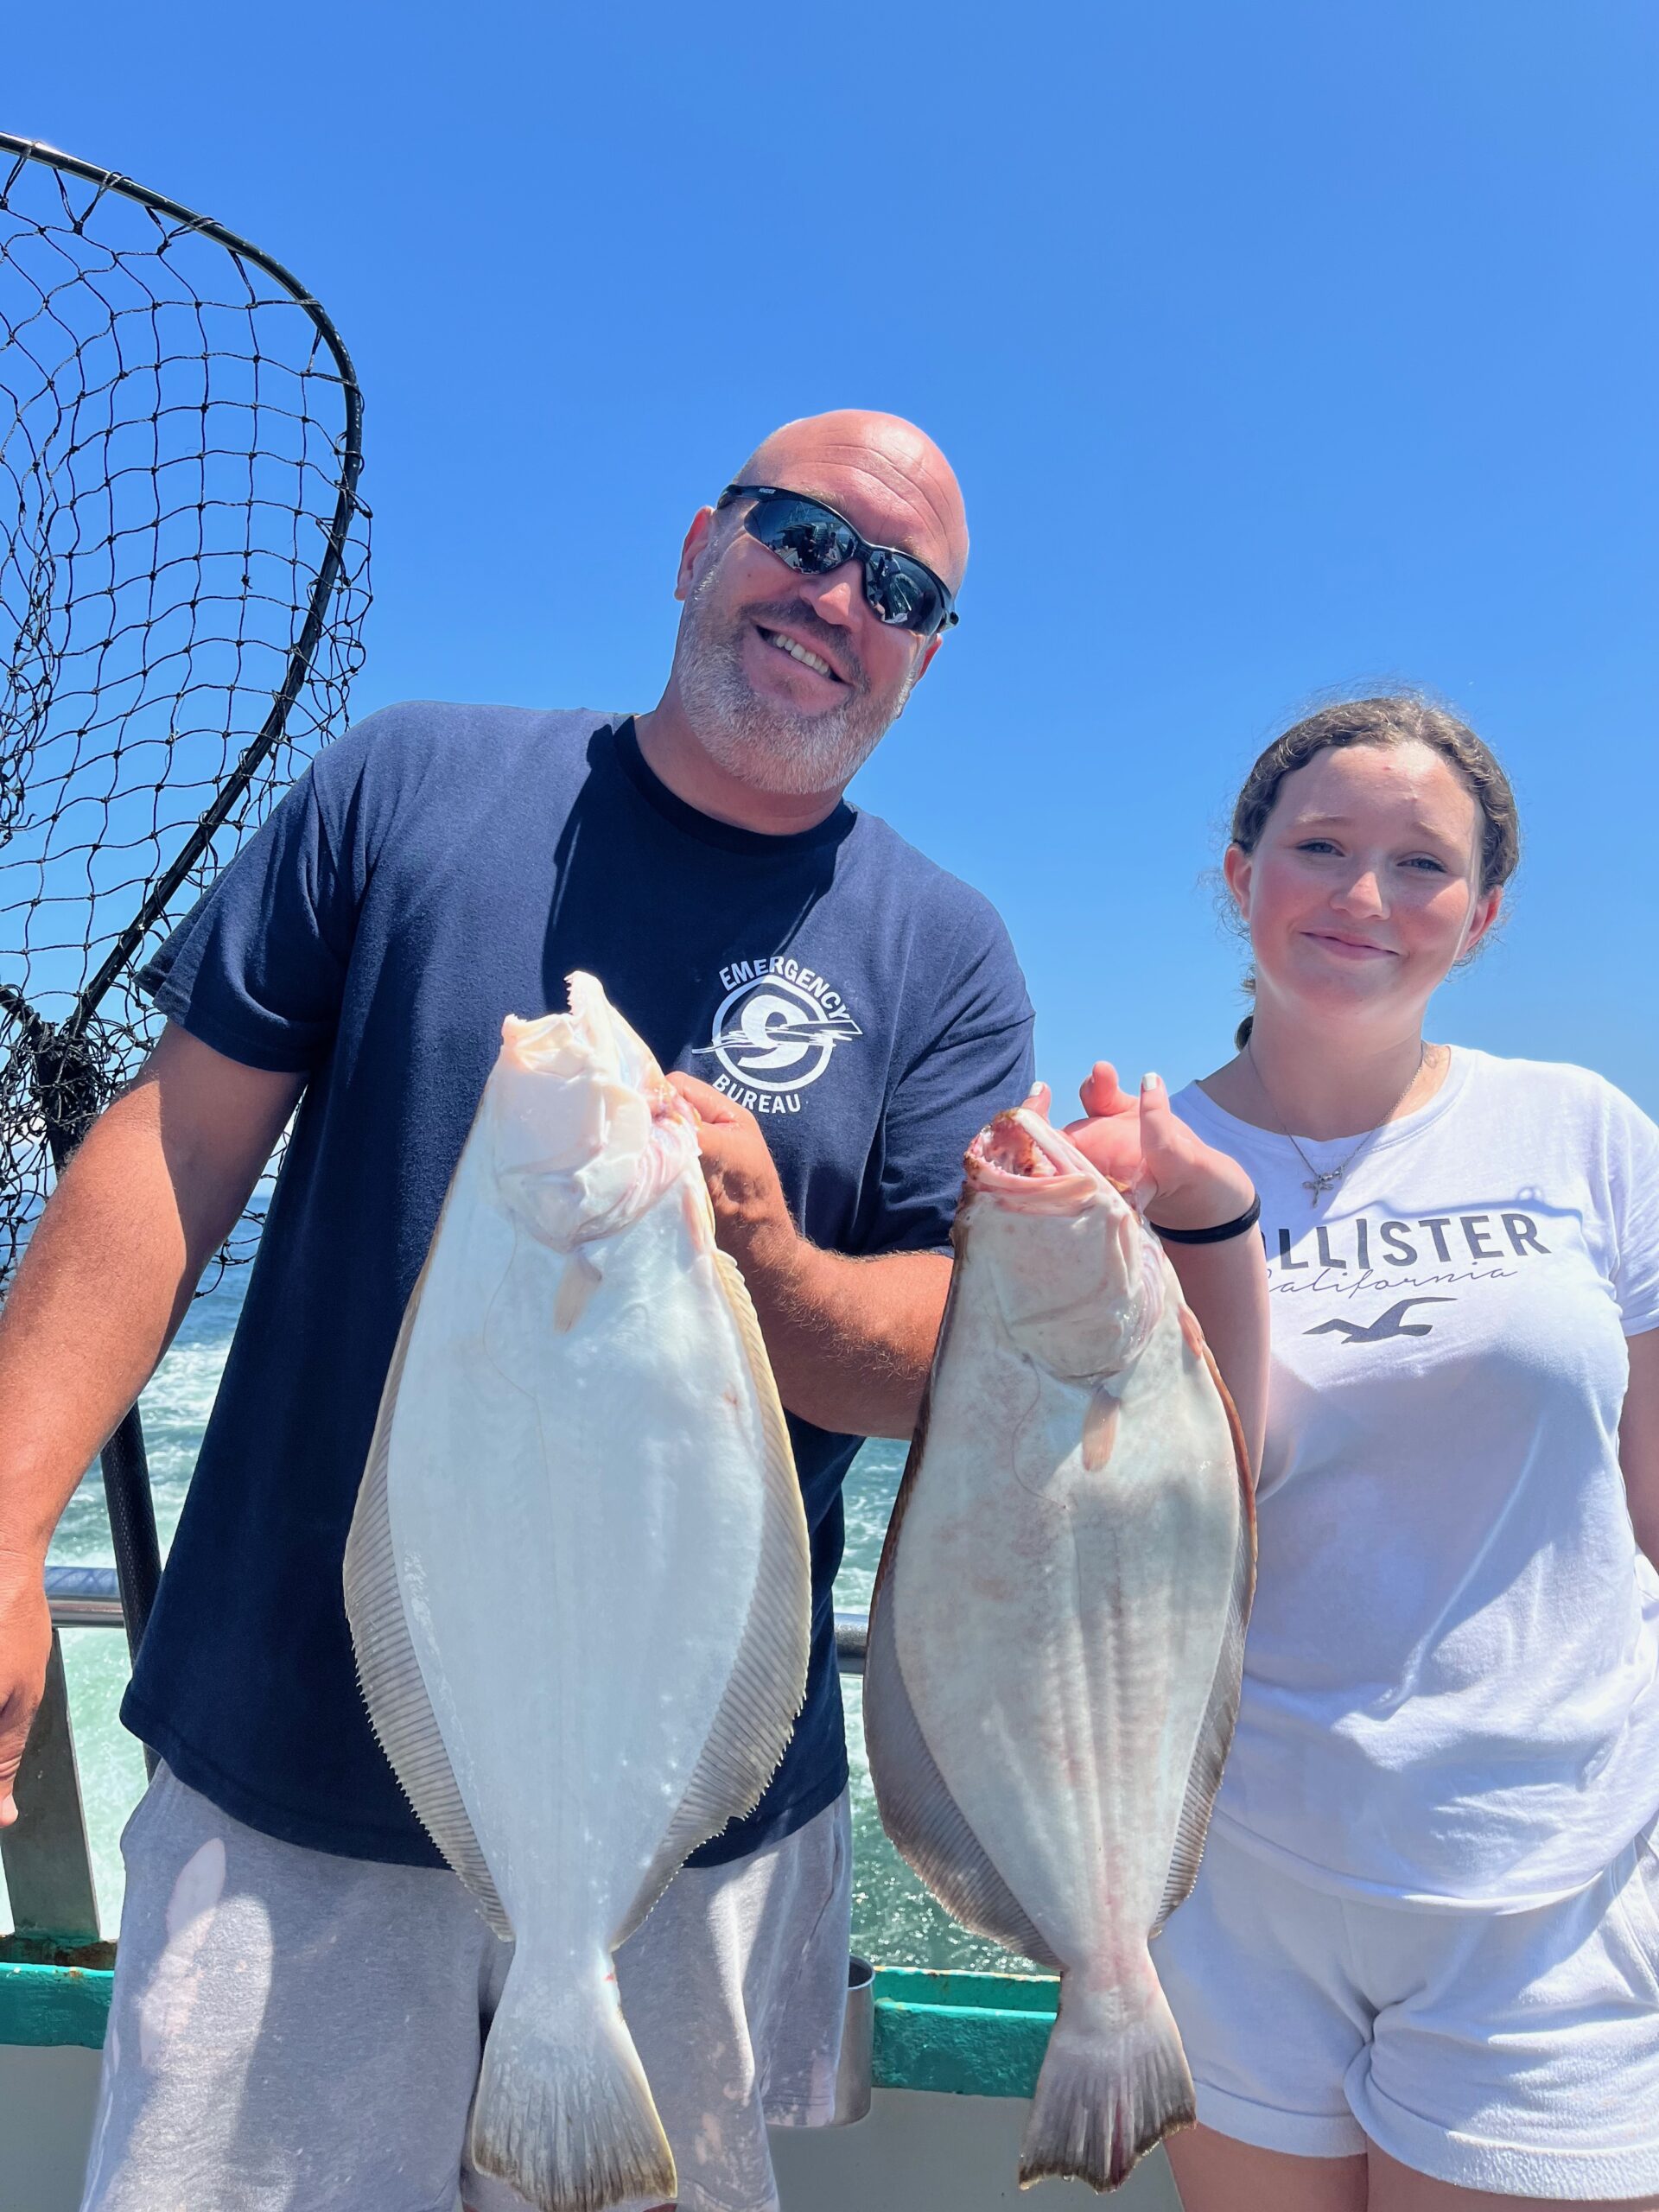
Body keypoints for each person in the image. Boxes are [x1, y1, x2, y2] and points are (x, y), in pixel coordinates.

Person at [0, 409, 1266, 2212]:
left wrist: (762, 1242)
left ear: (922, 655)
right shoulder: (410, 782)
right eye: (801, 534)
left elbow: (937, 1358)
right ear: (698, 540)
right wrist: (5, 1509)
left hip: (689, 1820)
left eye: (900, 588)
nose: (838, 595)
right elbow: (171, 1152)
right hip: (289, 1766)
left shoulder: (941, 946)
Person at [1151, 696, 1659, 2212]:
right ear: (1238, 875)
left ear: (1483, 917)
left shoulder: (1580, 1131)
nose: (1363, 896)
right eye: (1319, 847)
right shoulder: (1136, 1166)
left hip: (1556, 1872)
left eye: (1421, 865)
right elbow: (1138, 1524)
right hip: (1232, 1870)